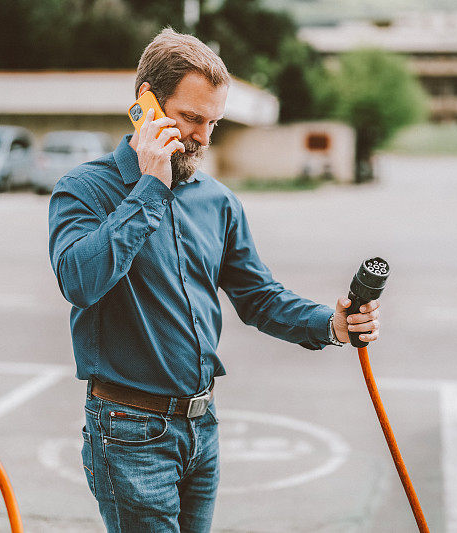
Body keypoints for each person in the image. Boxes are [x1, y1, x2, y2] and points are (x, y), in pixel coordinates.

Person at [47, 28, 382, 533]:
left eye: (214, 122)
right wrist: (149, 188)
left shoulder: (218, 202)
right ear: (147, 106)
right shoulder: (84, 190)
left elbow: (259, 297)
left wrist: (331, 324)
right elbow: (79, 280)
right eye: (191, 118)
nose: (204, 137)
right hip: (129, 432)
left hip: (202, 428)